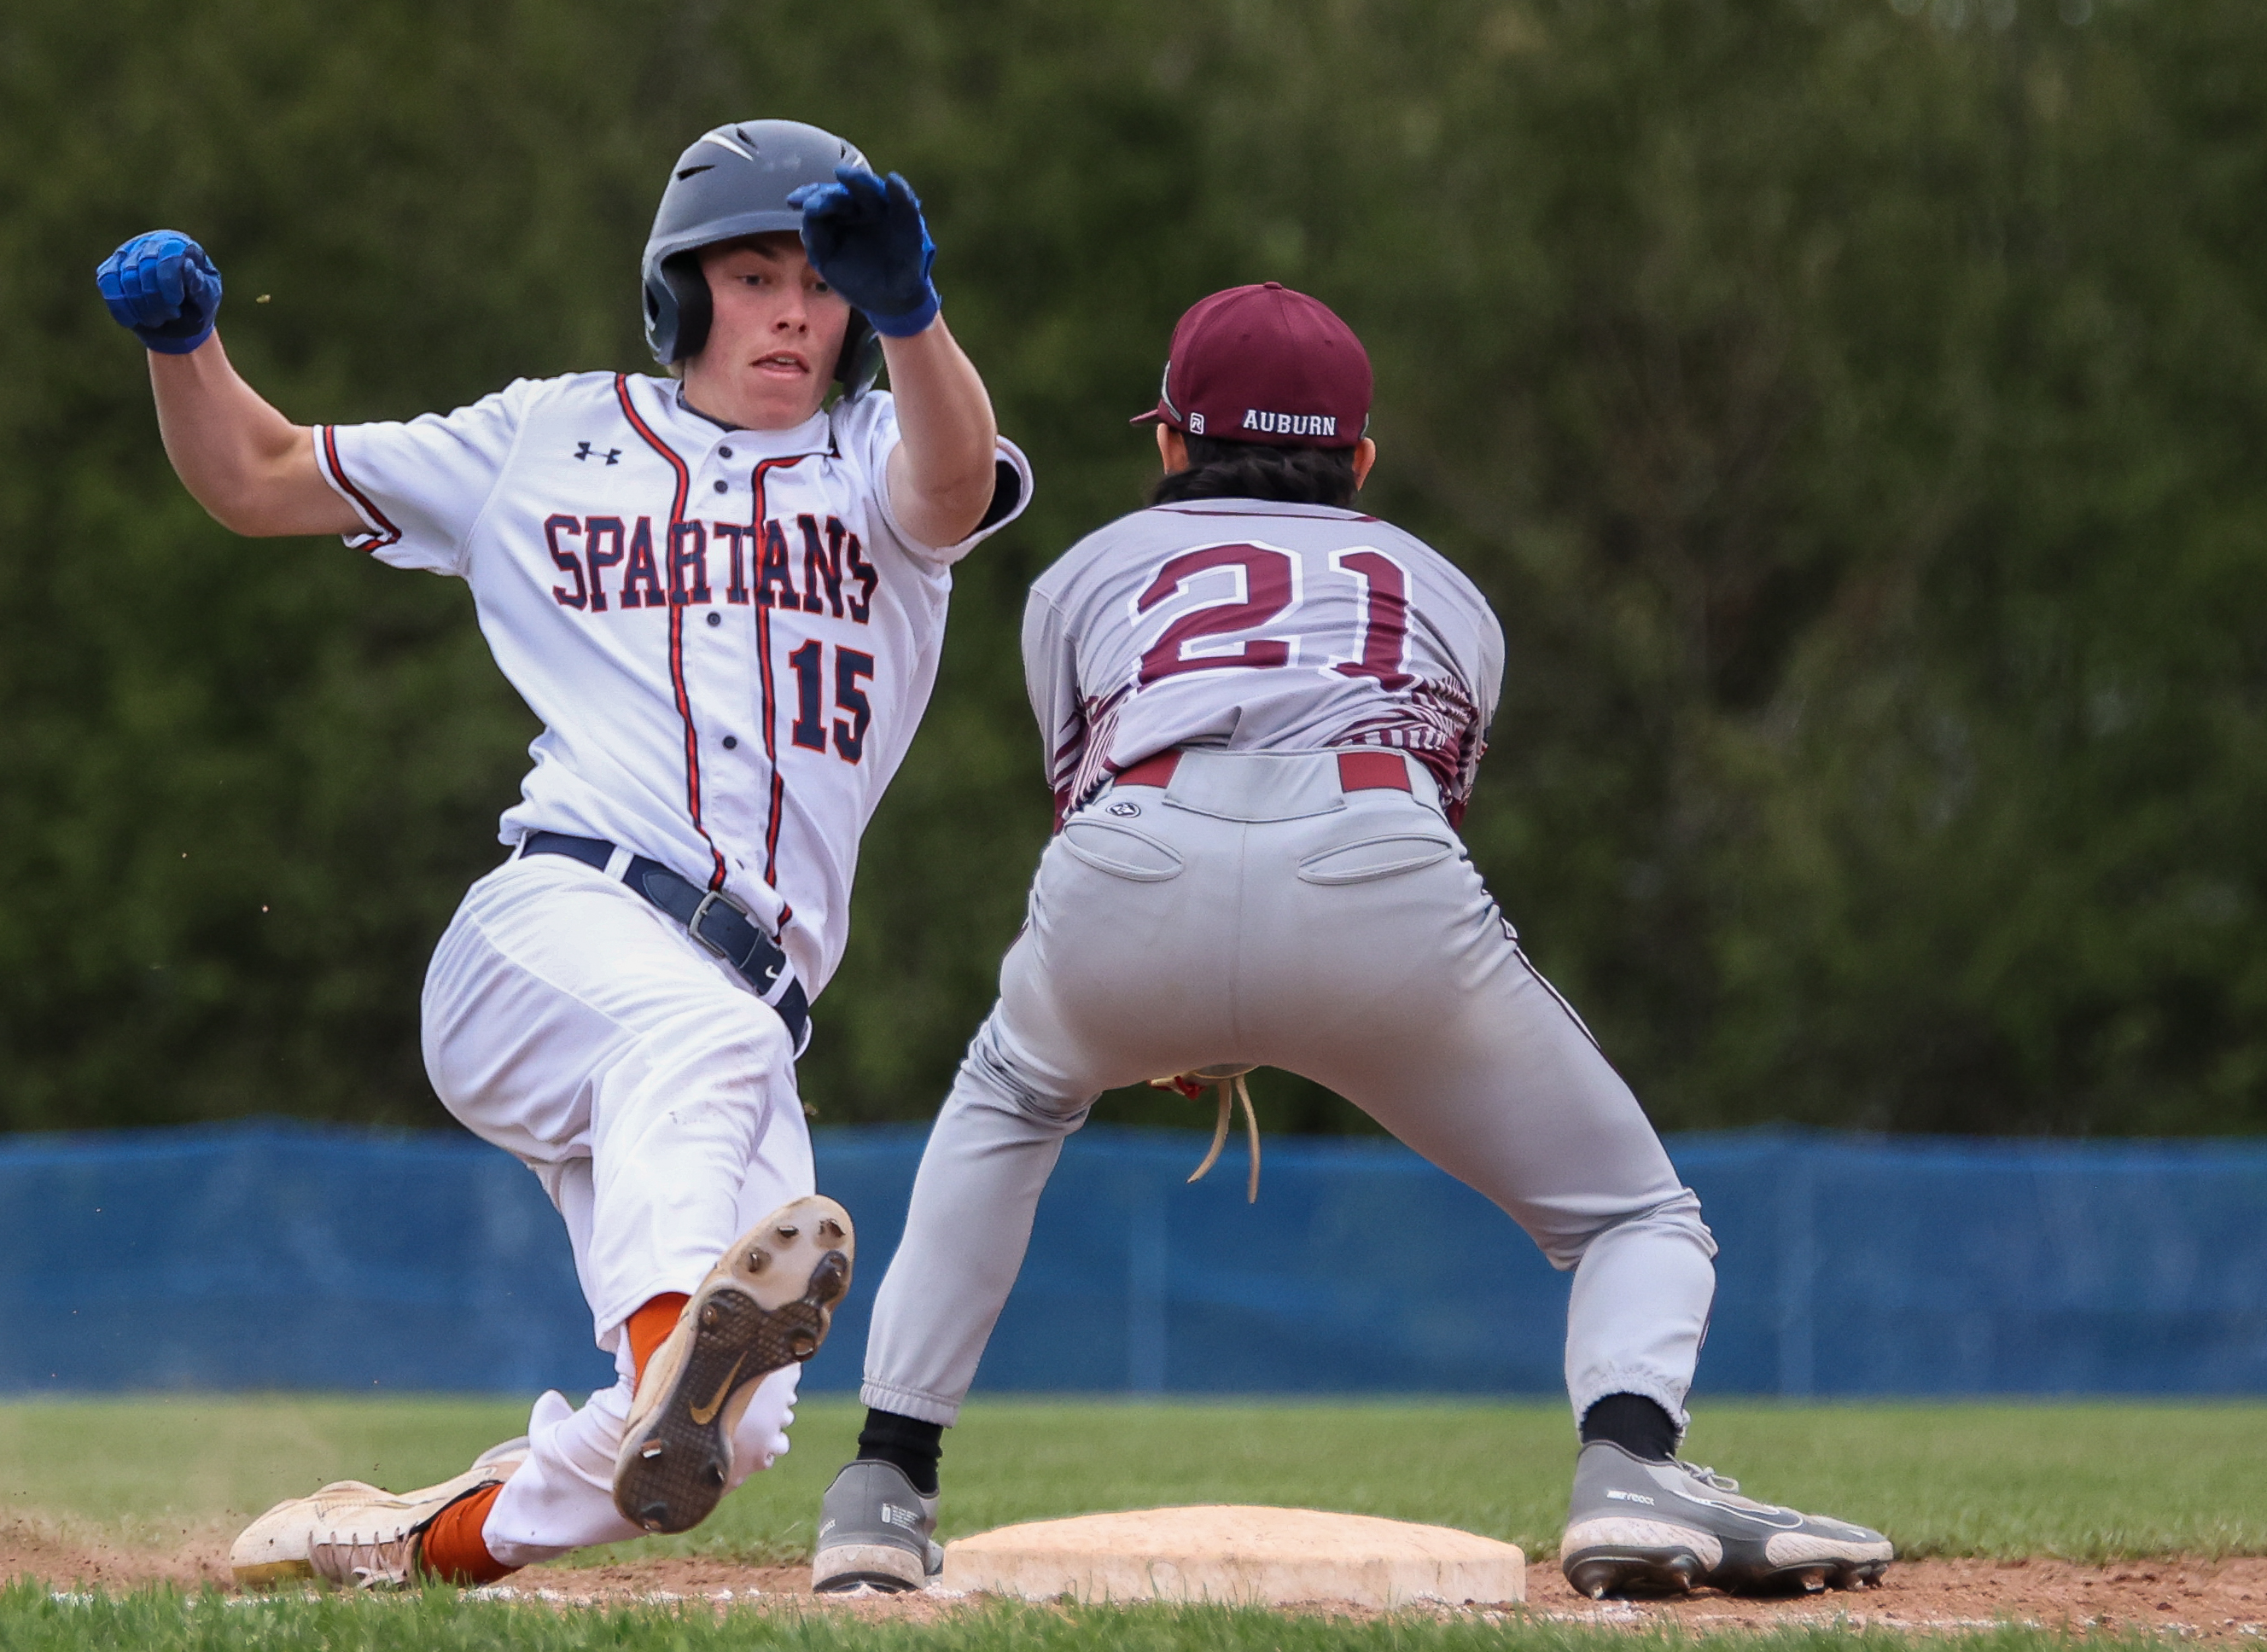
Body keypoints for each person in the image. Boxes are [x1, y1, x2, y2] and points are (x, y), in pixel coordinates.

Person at [807, 282, 1890, 1601]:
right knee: (1635, 1215)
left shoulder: (1084, 569)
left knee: (1012, 1098)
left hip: (1131, 855)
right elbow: (1423, 790)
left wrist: (1180, 1002)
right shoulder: (1446, 587)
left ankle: (884, 1479)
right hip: (1375, 858)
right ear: (1359, 461)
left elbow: (1089, 784)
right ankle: (1626, 1464)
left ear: (1169, 442)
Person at [93, 118, 1031, 1589]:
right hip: (558, 929)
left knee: (747, 1431)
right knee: (698, 1067)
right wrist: (183, 348)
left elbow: (954, 484)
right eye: (754, 271)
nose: (793, 307)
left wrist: (914, 313)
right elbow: (258, 474)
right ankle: (674, 1344)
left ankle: (413, 1543)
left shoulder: (881, 455)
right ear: (680, 293)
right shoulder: (547, 434)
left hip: (743, 1010)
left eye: (824, 281)